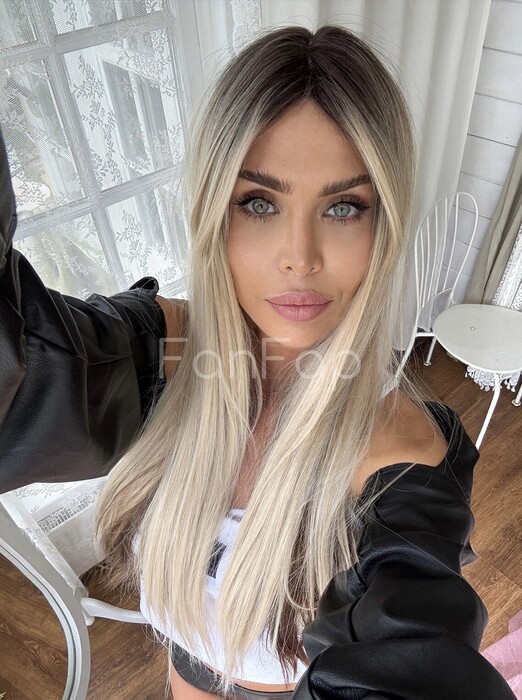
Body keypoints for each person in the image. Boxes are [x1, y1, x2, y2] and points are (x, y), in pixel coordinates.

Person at [0, 24, 516, 700]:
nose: (299, 257)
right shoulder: (157, 355)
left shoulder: (406, 463)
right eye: (259, 202)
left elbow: (410, 655)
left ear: (384, 224)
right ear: (214, 213)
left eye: (343, 207)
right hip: (186, 665)